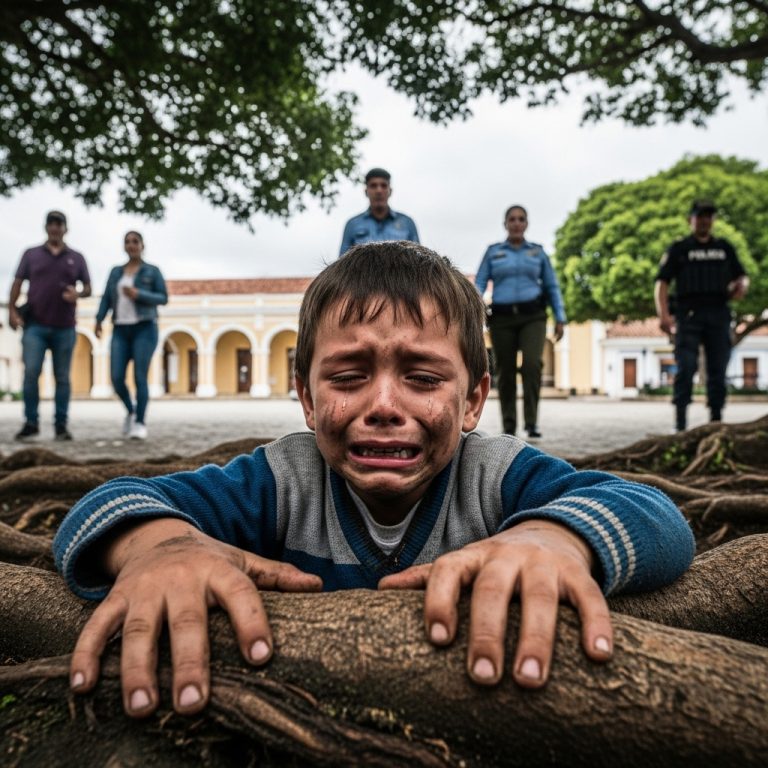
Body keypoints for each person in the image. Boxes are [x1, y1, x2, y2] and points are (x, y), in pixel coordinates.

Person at [53, 242, 693, 718]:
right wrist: (164, 549)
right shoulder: (283, 480)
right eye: (349, 375)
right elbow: (107, 502)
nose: (384, 404)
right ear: (305, 396)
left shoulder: (496, 477)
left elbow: (655, 514)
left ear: (473, 401)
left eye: (422, 377)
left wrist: (553, 541)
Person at [655, 199, 749, 432]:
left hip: (719, 314)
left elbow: (742, 275)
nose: (705, 220)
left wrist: (742, 285)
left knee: (718, 371)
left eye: (709, 216)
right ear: (691, 219)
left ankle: (716, 423)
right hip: (688, 315)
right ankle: (680, 426)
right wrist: (664, 315)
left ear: (713, 220)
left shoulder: (725, 248)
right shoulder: (680, 249)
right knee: (686, 368)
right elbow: (662, 282)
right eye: (700, 216)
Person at [475, 205, 567, 439]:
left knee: (532, 365)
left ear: (526, 224)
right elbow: (480, 283)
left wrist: (560, 317)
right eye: (512, 219)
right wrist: (472, 310)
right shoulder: (493, 252)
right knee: (504, 370)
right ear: (505, 224)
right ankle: (509, 425)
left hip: (532, 316)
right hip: (502, 318)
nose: (516, 223)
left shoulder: (537, 253)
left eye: (521, 219)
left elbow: (551, 286)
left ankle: (532, 423)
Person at [8, 210, 91, 441]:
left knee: (62, 377)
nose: (55, 228)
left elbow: (88, 288)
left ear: (66, 228)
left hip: (65, 326)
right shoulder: (31, 254)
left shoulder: (77, 257)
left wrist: (79, 293)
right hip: (35, 325)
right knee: (31, 373)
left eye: (59, 224)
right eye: (51, 224)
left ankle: (61, 425)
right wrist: (13, 311)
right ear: (46, 227)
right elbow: (17, 283)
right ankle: (31, 422)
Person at [95, 231, 168, 440]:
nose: (131, 245)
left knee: (139, 376)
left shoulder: (152, 271)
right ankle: (131, 409)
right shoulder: (115, 272)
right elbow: (107, 298)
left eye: (135, 241)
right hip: (120, 328)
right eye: (127, 241)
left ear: (142, 245)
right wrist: (99, 319)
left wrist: (139, 294)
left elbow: (163, 297)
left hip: (144, 327)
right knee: (116, 377)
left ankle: (140, 422)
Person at [339, 167, 419, 255]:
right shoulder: (352, 225)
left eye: (383, 185)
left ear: (390, 191)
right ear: (366, 191)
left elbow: (419, 263)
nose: (379, 190)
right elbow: (342, 265)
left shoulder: (407, 223)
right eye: (373, 186)